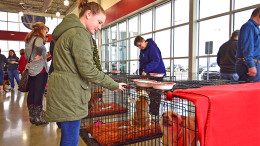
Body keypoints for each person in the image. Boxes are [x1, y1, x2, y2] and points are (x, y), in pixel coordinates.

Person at [45, 1, 126, 145]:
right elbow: (88, 70)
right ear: (88, 14)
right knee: (71, 138)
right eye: (99, 22)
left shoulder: (68, 31)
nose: (100, 27)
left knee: (68, 134)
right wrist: (113, 84)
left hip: (64, 89)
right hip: (70, 92)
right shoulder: (79, 34)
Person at [25, 22, 49, 125]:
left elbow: (27, 57)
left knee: (32, 93)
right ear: (41, 30)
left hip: (31, 70)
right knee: (39, 94)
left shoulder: (29, 40)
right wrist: (41, 55)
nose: (46, 34)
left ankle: (32, 117)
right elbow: (39, 46)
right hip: (40, 70)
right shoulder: (38, 39)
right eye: (45, 31)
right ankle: (39, 118)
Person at [236, 7, 260, 82]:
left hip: (253, 63)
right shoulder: (249, 26)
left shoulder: (254, 28)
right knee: (250, 92)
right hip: (249, 64)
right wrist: (251, 65)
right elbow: (247, 47)